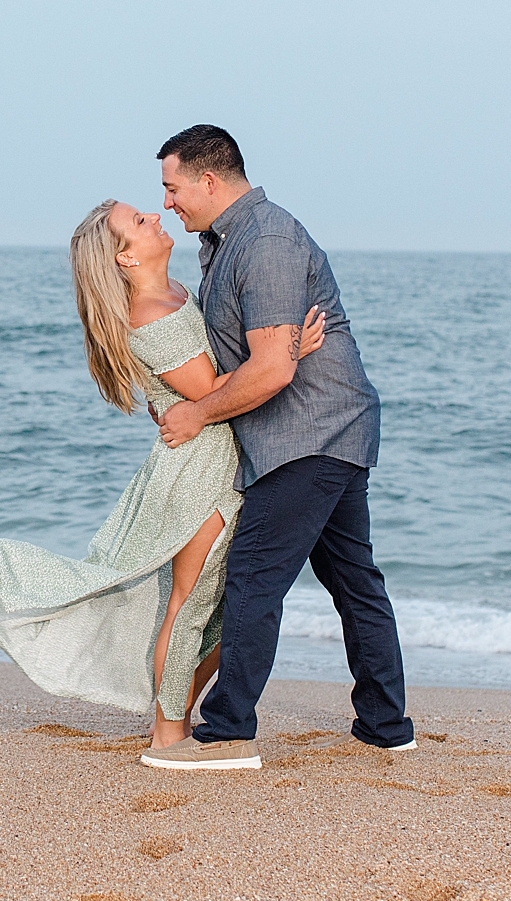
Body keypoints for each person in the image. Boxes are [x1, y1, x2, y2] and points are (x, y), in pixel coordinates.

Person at [0, 200, 325, 746]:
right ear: (126, 257)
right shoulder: (151, 312)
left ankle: (172, 713)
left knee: (228, 607)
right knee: (194, 600)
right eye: (139, 222)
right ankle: (168, 732)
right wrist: (286, 351)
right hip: (199, 469)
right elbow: (211, 394)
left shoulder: (175, 292)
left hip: (223, 458)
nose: (156, 218)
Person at [140, 124, 415, 771]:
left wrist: (194, 414)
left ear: (209, 180)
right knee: (352, 579)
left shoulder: (264, 241)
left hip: (307, 435)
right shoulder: (231, 240)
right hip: (327, 428)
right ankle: (386, 724)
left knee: (254, 579)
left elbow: (272, 371)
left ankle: (228, 733)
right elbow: (257, 354)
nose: (169, 202)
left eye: (173, 187)